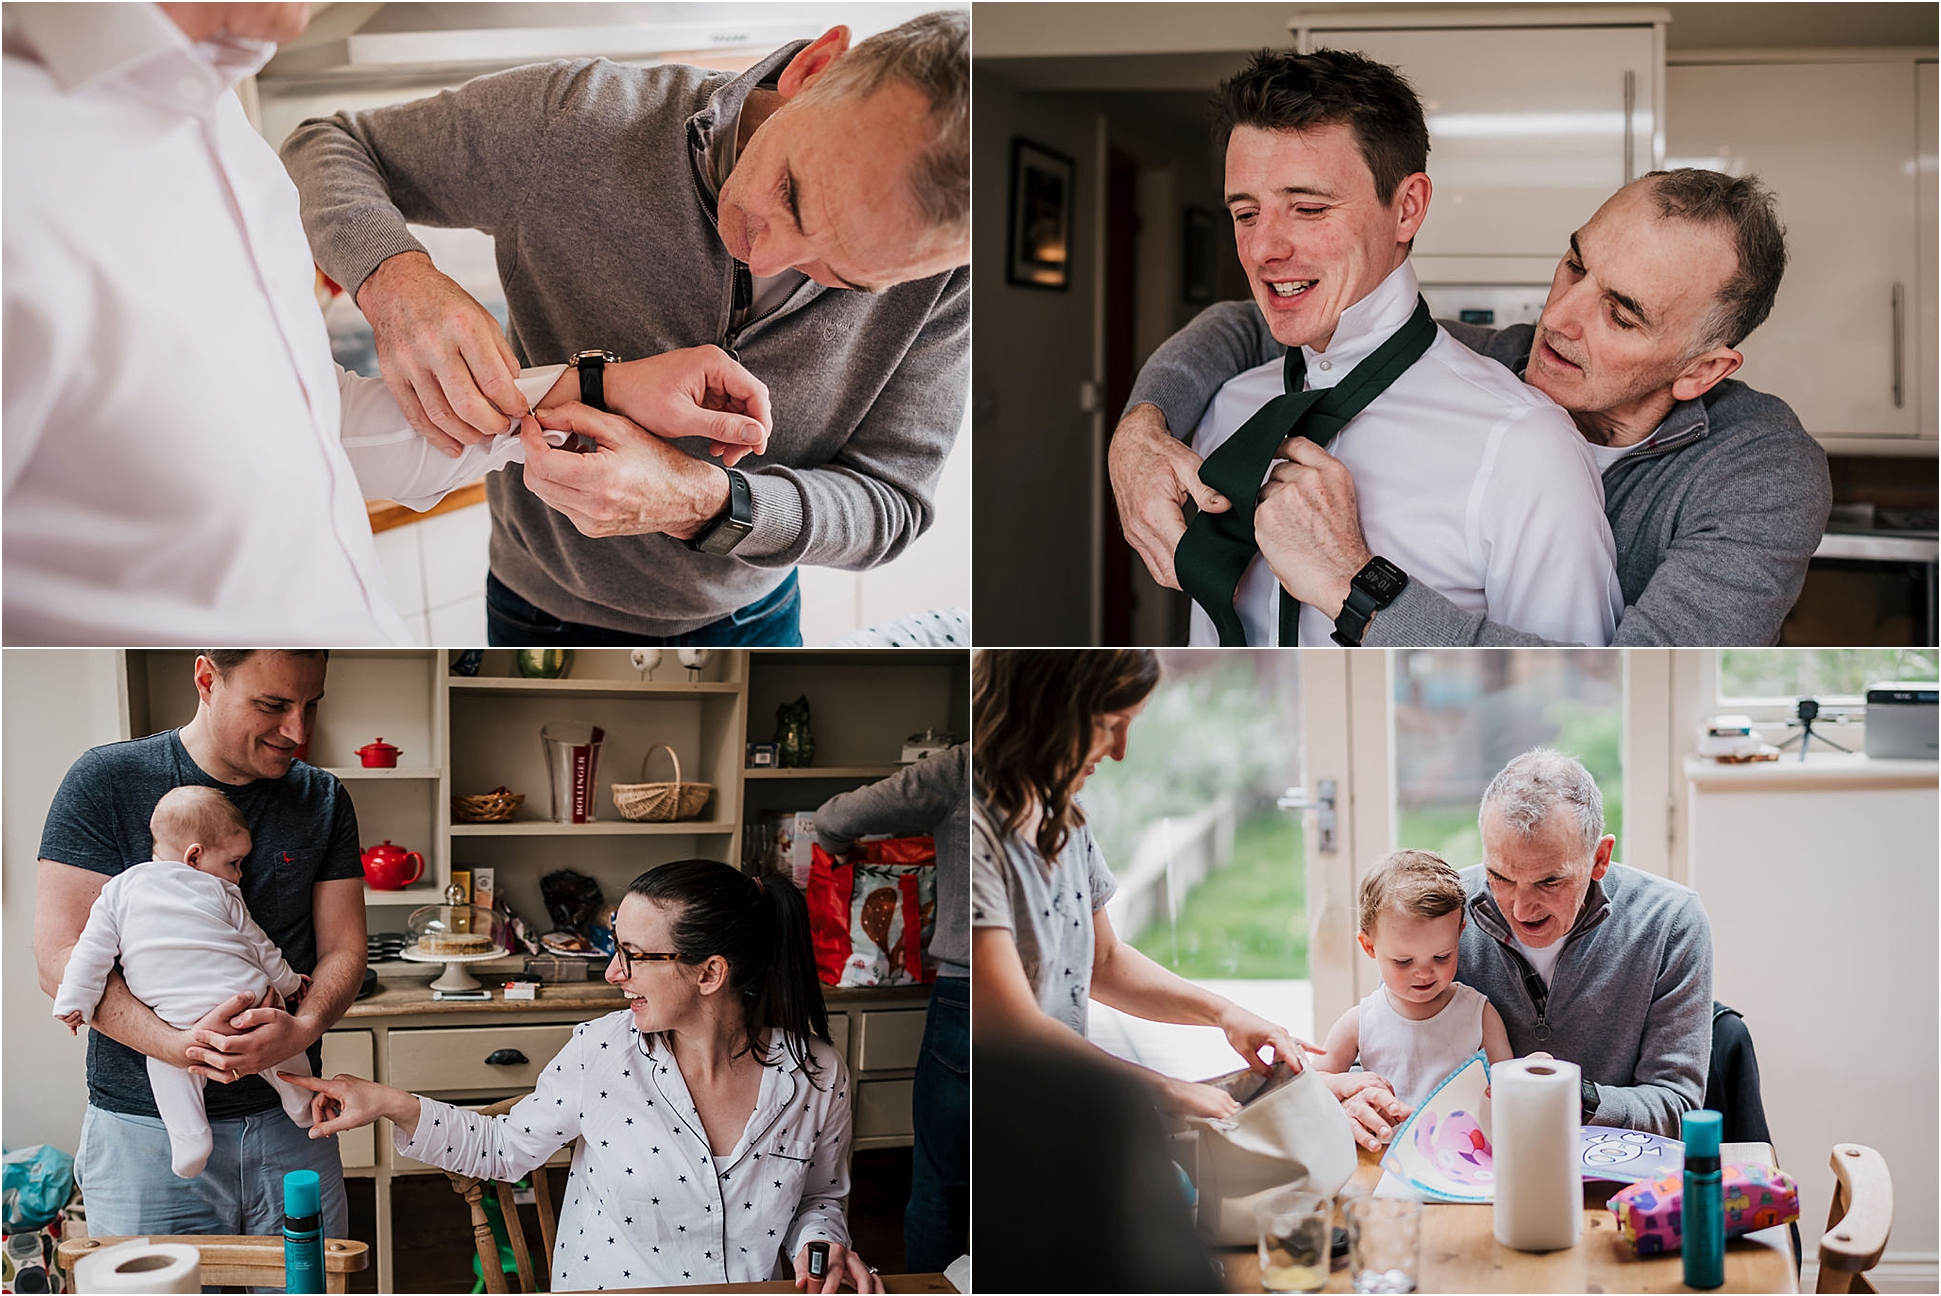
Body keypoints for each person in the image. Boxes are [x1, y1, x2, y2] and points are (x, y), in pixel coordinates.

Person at [1, 2, 772, 644]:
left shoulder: (215, 122)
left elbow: (305, 426)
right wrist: (394, 275)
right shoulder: (25, 165)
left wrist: (596, 389)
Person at [280, 11, 971, 647]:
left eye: (844, 275)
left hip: (758, 619)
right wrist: (396, 278)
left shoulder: (947, 274)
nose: (764, 256)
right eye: (790, 192)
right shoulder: (577, 118)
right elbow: (324, 146)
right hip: (539, 614)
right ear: (815, 69)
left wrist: (705, 503)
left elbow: (891, 505)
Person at [1113, 165, 1829, 647]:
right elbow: (1246, 326)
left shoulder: (1761, 476)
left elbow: (1627, 680)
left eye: (1621, 314)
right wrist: (1140, 425)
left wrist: (1355, 584)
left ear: (1701, 371)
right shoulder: (1477, 360)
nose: (1559, 319)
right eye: (1575, 266)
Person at [1142, 47, 1621, 648]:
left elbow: (1567, 692)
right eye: (1245, 213)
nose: (1263, 249)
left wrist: (1356, 579)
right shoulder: (1228, 409)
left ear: (1408, 208)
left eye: (1309, 209)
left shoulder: (1524, 446)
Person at [285, 861, 887, 1293]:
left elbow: (819, 1196)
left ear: (710, 974)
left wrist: (822, 1249)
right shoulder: (603, 1052)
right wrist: (390, 1102)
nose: (611, 972)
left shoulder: (814, 1075)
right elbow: (501, 1148)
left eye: (633, 954)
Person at [33, 650, 364, 1239]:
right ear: (207, 678)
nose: (298, 731)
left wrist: (303, 1026)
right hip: (145, 1136)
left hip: (294, 1122)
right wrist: (184, 1047)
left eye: (310, 705)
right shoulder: (106, 781)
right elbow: (61, 959)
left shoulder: (324, 797)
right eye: (272, 705)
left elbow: (344, 948)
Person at [971, 650, 1321, 1118]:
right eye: (1109, 723)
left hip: (1061, 1097)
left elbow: (1103, 961)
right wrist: (1167, 1090)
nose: (1120, 751)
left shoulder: (1068, 818)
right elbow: (1009, 1024)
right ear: (1047, 710)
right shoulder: (974, 828)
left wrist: (1226, 1014)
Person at [53, 788, 317, 1180]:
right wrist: (291, 981)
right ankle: (300, 1102)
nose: (239, 874)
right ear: (194, 856)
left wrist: (74, 1002)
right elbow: (260, 945)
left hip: (177, 1019)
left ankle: (191, 1137)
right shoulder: (222, 890)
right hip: (248, 999)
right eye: (235, 863)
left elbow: (91, 953)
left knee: (168, 1066)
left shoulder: (120, 890)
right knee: (277, 1041)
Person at [1459, 749, 1712, 1135]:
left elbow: (1676, 1107)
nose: (1522, 908)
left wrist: (1579, 1097)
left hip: (1615, 1177)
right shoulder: (1446, 909)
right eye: (1501, 878)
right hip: (1468, 1159)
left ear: (1600, 858)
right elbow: (1385, 1042)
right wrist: (1360, 1088)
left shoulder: (1670, 922)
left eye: (1550, 881)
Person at [813, 744, 969, 1273]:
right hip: (1055, 1004)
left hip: (968, 998)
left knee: (941, 1187)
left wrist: (841, 851)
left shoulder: (966, 767)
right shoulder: (1072, 782)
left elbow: (835, 818)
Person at [1312, 850, 1512, 1112]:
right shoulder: (1360, 1023)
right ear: (1369, 946)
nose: (1424, 973)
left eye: (1441, 956)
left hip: (1464, 1148)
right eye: (1404, 962)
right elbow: (1312, 1084)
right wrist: (1347, 1083)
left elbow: (1509, 1083)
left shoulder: (1479, 1014)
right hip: (1384, 1150)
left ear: (1459, 934)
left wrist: (1528, 1075)